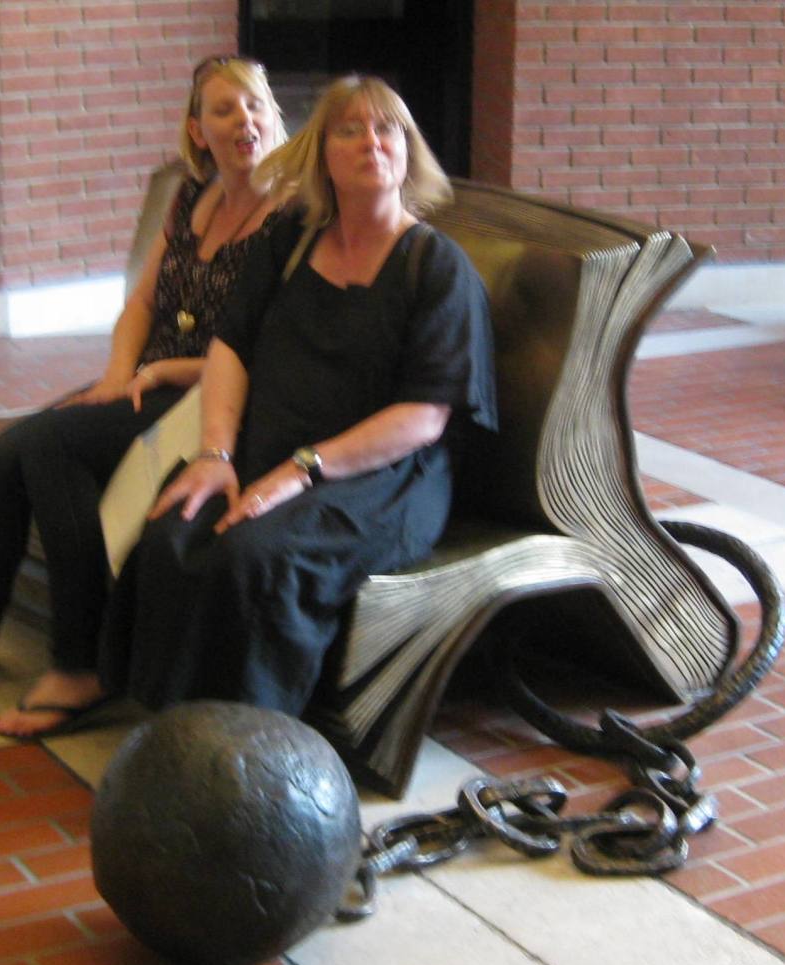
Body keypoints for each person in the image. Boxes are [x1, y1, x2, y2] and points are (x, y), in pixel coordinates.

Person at [98, 74, 498, 718]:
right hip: (265, 448)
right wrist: (216, 454)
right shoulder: (289, 240)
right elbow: (230, 346)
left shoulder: (437, 267)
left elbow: (423, 418)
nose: (372, 141)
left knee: (254, 556)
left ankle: (252, 737)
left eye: (387, 129)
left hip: (379, 478)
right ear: (322, 155)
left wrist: (302, 469)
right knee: (172, 531)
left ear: (408, 149)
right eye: (350, 130)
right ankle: (171, 729)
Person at [0, 57, 288, 739]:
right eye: (225, 109)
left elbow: (266, 347)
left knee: (51, 448)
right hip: (148, 380)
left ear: (274, 118)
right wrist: (117, 377)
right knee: (4, 457)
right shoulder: (193, 197)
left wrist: (164, 372)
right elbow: (142, 303)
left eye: (255, 106)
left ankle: (82, 663)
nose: (245, 120)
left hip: (209, 395)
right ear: (197, 131)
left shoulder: (289, 216)